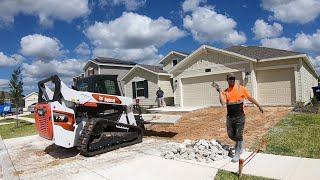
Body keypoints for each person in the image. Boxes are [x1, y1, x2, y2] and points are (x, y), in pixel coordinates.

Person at [213, 73, 264, 163]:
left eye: (233, 78)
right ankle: (240, 142)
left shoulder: (241, 88)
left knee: (238, 135)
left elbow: (249, 97)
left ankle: (237, 153)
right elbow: (223, 103)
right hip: (230, 117)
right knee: (231, 135)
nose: (232, 80)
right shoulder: (226, 91)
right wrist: (220, 91)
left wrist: (258, 105)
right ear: (227, 80)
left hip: (240, 116)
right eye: (230, 78)